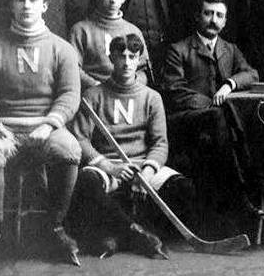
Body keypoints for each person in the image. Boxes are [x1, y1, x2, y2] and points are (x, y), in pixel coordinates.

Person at [0, 0, 82, 264]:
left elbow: (70, 95)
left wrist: (49, 124)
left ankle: (56, 226)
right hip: (4, 128)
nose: (26, 5)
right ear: (11, 6)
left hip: (45, 128)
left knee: (70, 149)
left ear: (44, 5)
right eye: (20, 0)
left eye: (33, 0)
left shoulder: (62, 49)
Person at [70, 34, 192, 259]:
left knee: (183, 188)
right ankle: (136, 234)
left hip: (141, 165)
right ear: (111, 58)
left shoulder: (151, 97)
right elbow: (80, 138)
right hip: (108, 165)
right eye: (121, 56)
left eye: (132, 57)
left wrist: (147, 170)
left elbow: (160, 143)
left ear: (139, 60)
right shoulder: (92, 95)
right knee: (85, 182)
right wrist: (108, 166)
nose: (126, 62)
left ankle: (125, 235)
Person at [162, 0, 259, 220]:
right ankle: (240, 198)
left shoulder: (230, 49)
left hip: (221, 126)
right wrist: (211, 104)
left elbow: (252, 73)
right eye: (208, 13)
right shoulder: (179, 49)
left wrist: (229, 84)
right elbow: (174, 90)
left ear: (225, 21)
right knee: (218, 116)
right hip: (187, 121)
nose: (213, 20)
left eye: (219, 15)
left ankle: (239, 204)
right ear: (198, 16)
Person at [70, 0, 149, 91]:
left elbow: (144, 69)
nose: (113, 0)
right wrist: (96, 87)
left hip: (126, 92)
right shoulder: (81, 30)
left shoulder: (133, 31)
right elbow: (73, 68)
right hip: (94, 94)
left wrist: (130, 86)